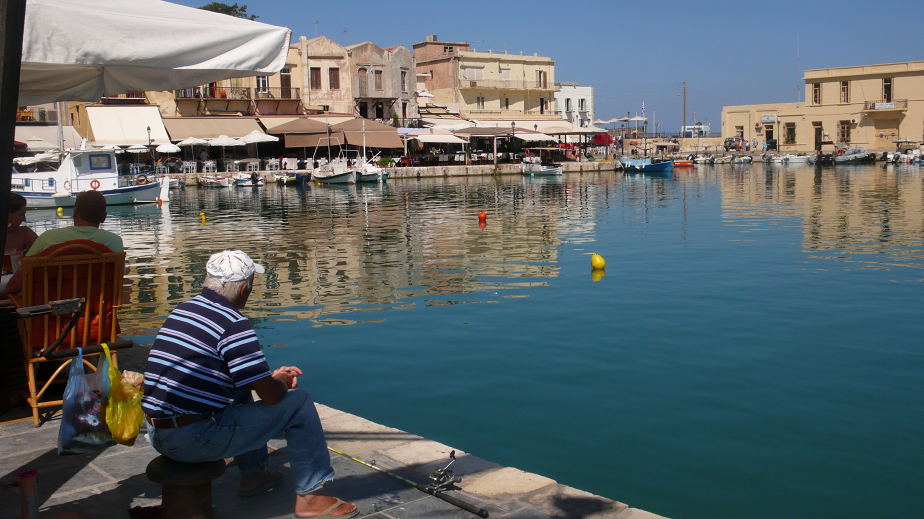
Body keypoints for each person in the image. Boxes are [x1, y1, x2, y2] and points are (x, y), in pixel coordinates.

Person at [142, 250, 358, 519]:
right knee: (299, 403)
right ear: (244, 288)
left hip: (156, 433)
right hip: (192, 439)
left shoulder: (184, 310)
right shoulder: (233, 322)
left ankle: (254, 475)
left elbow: (233, 378)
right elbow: (270, 396)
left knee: (240, 391)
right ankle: (311, 498)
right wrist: (279, 381)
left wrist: (267, 379)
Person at [2, 190, 123, 296]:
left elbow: (20, 279)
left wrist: (5, 294)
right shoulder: (115, 242)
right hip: (98, 316)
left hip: (51, 317)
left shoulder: (49, 238)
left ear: (75, 212)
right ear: (104, 217)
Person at [2, 193, 39, 292]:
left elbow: (44, 254)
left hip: (20, 285)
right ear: (7, 214)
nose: (24, 219)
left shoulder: (26, 233)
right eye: (21, 214)